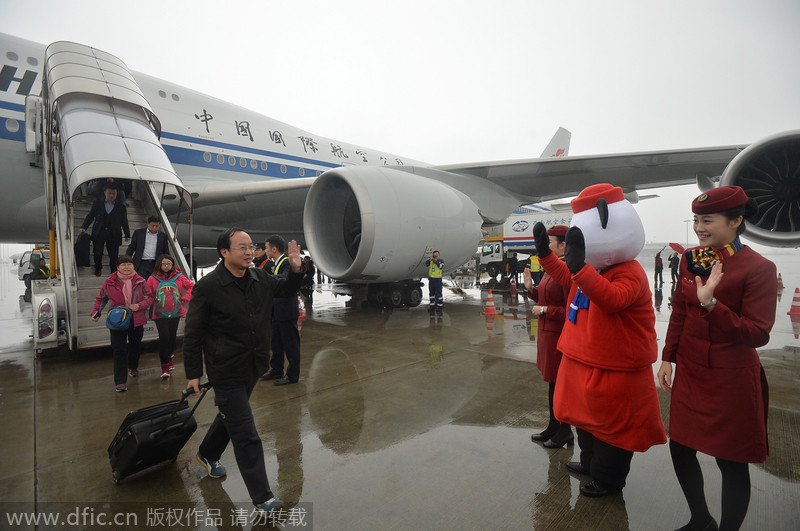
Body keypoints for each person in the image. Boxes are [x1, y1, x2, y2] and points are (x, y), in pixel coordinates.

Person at [657, 186, 777, 531]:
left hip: (730, 379)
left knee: (731, 461)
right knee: (679, 449)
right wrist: (668, 358)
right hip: (692, 374)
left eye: (707, 220)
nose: (699, 227)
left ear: (736, 221)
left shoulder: (758, 268)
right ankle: (701, 518)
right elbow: (679, 311)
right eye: (696, 220)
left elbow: (757, 333)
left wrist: (711, 304)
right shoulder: (691, 260)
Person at [535, 184, 666, 498]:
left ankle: (609, 481)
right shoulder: (591, 270)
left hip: (615, 366)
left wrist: (580, 268)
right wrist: (545, 255)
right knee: (586, 423)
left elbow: (613, 298)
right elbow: (567, 275)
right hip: (584, 359)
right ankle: (589, 464)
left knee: (613, 430)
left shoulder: (630, 272)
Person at [183, 228, 303, 518]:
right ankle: (263, 498)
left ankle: (207, 453)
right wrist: (193, 373)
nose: (250, 251)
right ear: (224, 252)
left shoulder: (259, 277)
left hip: (253, 364)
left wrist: (297, 271)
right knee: (246, 433)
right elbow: (193, 333)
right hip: (225, 369)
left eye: (251, 246)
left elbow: (285, 289)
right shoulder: (208, 287)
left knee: (232, 417)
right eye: (242, 247)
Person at [523, 225, 573, 449]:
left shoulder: (566, 270)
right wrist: (531, 289)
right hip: (546, 336)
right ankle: (553, 427)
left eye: (550, 242)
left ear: (563, 245)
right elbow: (545, 297)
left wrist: (544, 311)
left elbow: (570, 309)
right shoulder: (549, 269)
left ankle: (564, 431)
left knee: (560, 388)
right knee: (552, 386)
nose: (546, 246)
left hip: (557, 337)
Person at [90, 255, 153, 392]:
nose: (126, 267)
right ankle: (120, 381)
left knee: (135, 345)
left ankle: (133, 366)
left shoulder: (141, 281)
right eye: (123, 264)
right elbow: (101, 298)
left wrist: (140, 305)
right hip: (118, 318)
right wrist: (96, 312)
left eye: (129, 264)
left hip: (136, 319)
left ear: (133, 266)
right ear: (117, 267)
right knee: (119, 349)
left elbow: (150, 298)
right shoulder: (109, 282)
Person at [260, 235, 302, 386]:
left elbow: (284, 279)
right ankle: (276, 369)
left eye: (266, 248)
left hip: (286, 311)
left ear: (274, 248)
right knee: (276, 344)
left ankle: (292, 375)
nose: (265, 251)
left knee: (291, 345)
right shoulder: (273, 264)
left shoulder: (286, 262)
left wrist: (265, 279)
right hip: (276, 311)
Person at [147, 254, 194, 378]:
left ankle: (169, 358)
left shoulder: (179, 277)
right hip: (159, 312)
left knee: (172, 337)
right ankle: (164, 367)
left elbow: (191, 286)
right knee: (164, 337)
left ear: (173, 265)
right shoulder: (152, 278)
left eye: (169, 264)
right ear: (159, 265)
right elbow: (147, 293)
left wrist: (186, 297)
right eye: (164, 264)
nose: (167, 266)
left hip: (175, 311)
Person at [80, 184, 130, 276]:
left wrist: (127, 234)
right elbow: (91, 216)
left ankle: (113, 272)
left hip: (114, 234)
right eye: (109, 193)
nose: (111, 195)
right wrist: (84, 226)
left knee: (113, 255)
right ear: (105, 193)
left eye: (113, 193)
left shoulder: (121, 207)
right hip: (99, 232)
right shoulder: (98, 203)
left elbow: (124, 221)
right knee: (97, 252)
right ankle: (98, 267)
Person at [425, 250, 444, 315]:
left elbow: (440, 266)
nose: (435, 257)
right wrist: (430, 259)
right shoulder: (431, 262)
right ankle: (432, 308)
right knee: (431, 295)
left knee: (439, 295)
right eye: (434, 255)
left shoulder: (441, 261)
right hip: (431, 280)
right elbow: (426, 264)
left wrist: (435, 260)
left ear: (439, 256)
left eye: (436, 255)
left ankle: (440, 309)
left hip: (438, 280)